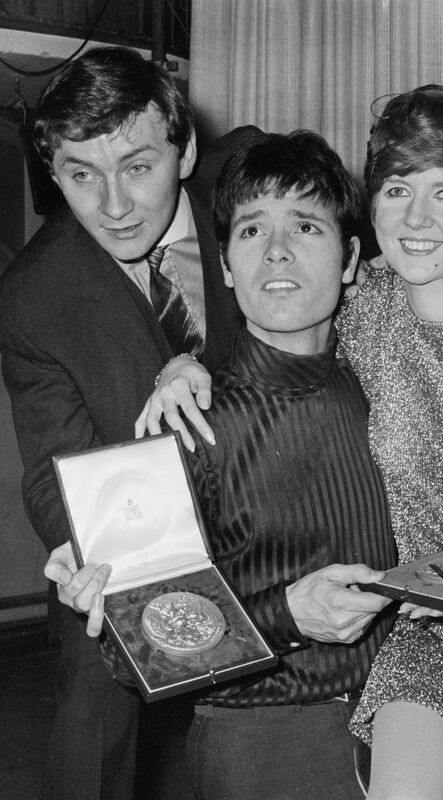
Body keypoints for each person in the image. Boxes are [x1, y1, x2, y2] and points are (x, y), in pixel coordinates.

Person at [136, 85, 443, 799]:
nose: (416, 218)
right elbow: (272, 292)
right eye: (399, 188)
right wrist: (182, 362)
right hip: (431, 631)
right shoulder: (365, 305)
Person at [47, 131, 397, 799]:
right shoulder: (190, 425)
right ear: (227, 265)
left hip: (415, 723)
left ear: (353, 258)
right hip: (265, 740)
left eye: (306, 225)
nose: (278, 251)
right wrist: (289, 614)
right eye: (251, 229)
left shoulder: (385, 380)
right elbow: (138, 653)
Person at [0, 46, 263, 800]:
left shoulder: (253, 187)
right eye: (82, 175)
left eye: (138, 166)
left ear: (184, 152)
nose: (113, 204)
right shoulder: (32, 296)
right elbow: (54, 469)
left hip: (294, 494)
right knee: (89, 677)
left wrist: (217, 375)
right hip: (148, 538)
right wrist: (85, 555)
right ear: (54, 175)